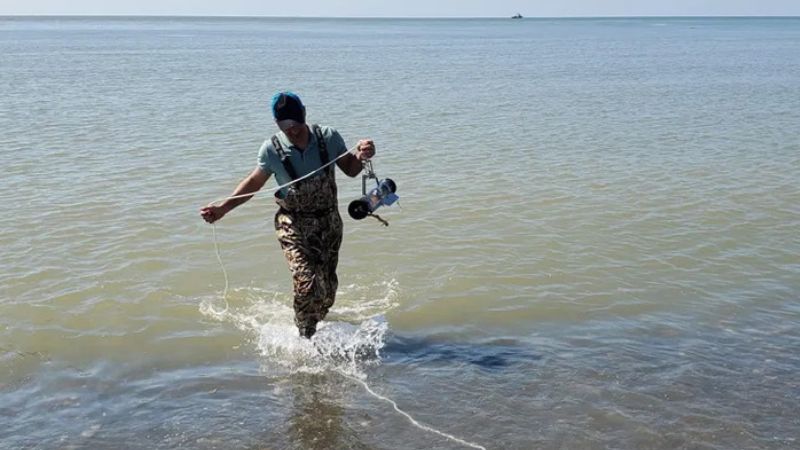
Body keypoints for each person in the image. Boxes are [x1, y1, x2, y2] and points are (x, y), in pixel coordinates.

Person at [200, 91, 375, 338]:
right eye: (284, 126)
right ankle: (304, 337)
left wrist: (362, 154)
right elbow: (254, 182)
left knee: (326, 291)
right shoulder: (271, 149)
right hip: (293, 224)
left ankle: (316, 322)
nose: (292, 131)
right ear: (277, 124)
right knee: (306, 283)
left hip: (329, 223)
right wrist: (222, 209)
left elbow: (351, 169)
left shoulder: (328, 137)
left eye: (295, 124)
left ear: (304, 113)